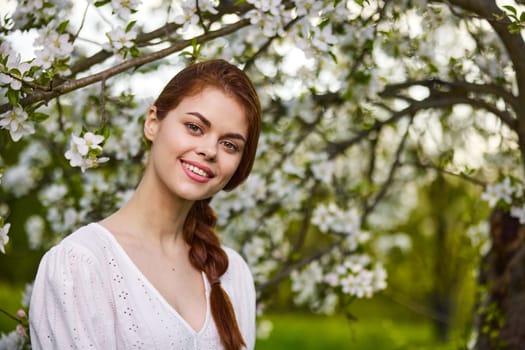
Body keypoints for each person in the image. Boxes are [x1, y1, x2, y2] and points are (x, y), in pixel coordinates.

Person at [29, 59, 262, 350]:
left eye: (230, 145)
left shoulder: (233, 274)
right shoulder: (81, 264)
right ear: (153, 122)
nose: (209, 150)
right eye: (194, 127)